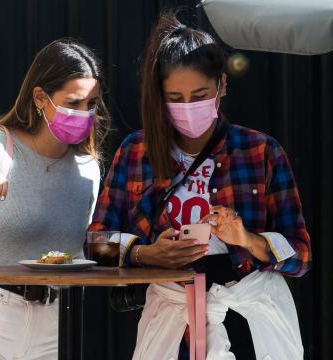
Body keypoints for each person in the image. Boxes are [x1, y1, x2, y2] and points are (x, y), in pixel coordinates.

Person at [89, 13, 311, 359]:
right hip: (172, 319)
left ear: (222, 85)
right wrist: (146, 254)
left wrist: (247, 240)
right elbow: (95, 244)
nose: (188, 107)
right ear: (159, 96)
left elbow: (301, 254)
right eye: (175, 98)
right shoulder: (137, 152)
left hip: (248, 319)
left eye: (200, 95)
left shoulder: (261, 151)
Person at [0, 38, 109, 359]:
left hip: (53, 321)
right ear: (40, 97)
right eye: (73, 102)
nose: (85, 114)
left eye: (91, 104)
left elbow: (83, 253)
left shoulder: (88, 169)